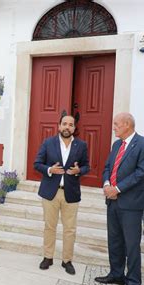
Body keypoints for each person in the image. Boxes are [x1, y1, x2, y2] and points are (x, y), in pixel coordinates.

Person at [95, 112, 144, 285]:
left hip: (131, 203)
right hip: (112, 201)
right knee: (114, 241)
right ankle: (116, 274)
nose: (113, 127)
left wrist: (118, 188)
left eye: (116, 124)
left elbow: (141, 173)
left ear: (127, 124)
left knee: (131, 245)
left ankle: (133, 282)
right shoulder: (116, 145)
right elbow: (107, 168)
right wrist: (106, 185)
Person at [34, 115, 89, 275]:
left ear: (74, 128)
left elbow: (87, 166)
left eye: (71, 125)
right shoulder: (48, 143)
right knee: (49, 227)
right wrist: (50, 170)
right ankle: (48, 257)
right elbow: (37, 164)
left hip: (71, 193)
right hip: (50, 192)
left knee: (70, 229)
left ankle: (67, 260)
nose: (67, 127)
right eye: (64, 124)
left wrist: (80, 170)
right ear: (59, 126)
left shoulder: (81, 145)